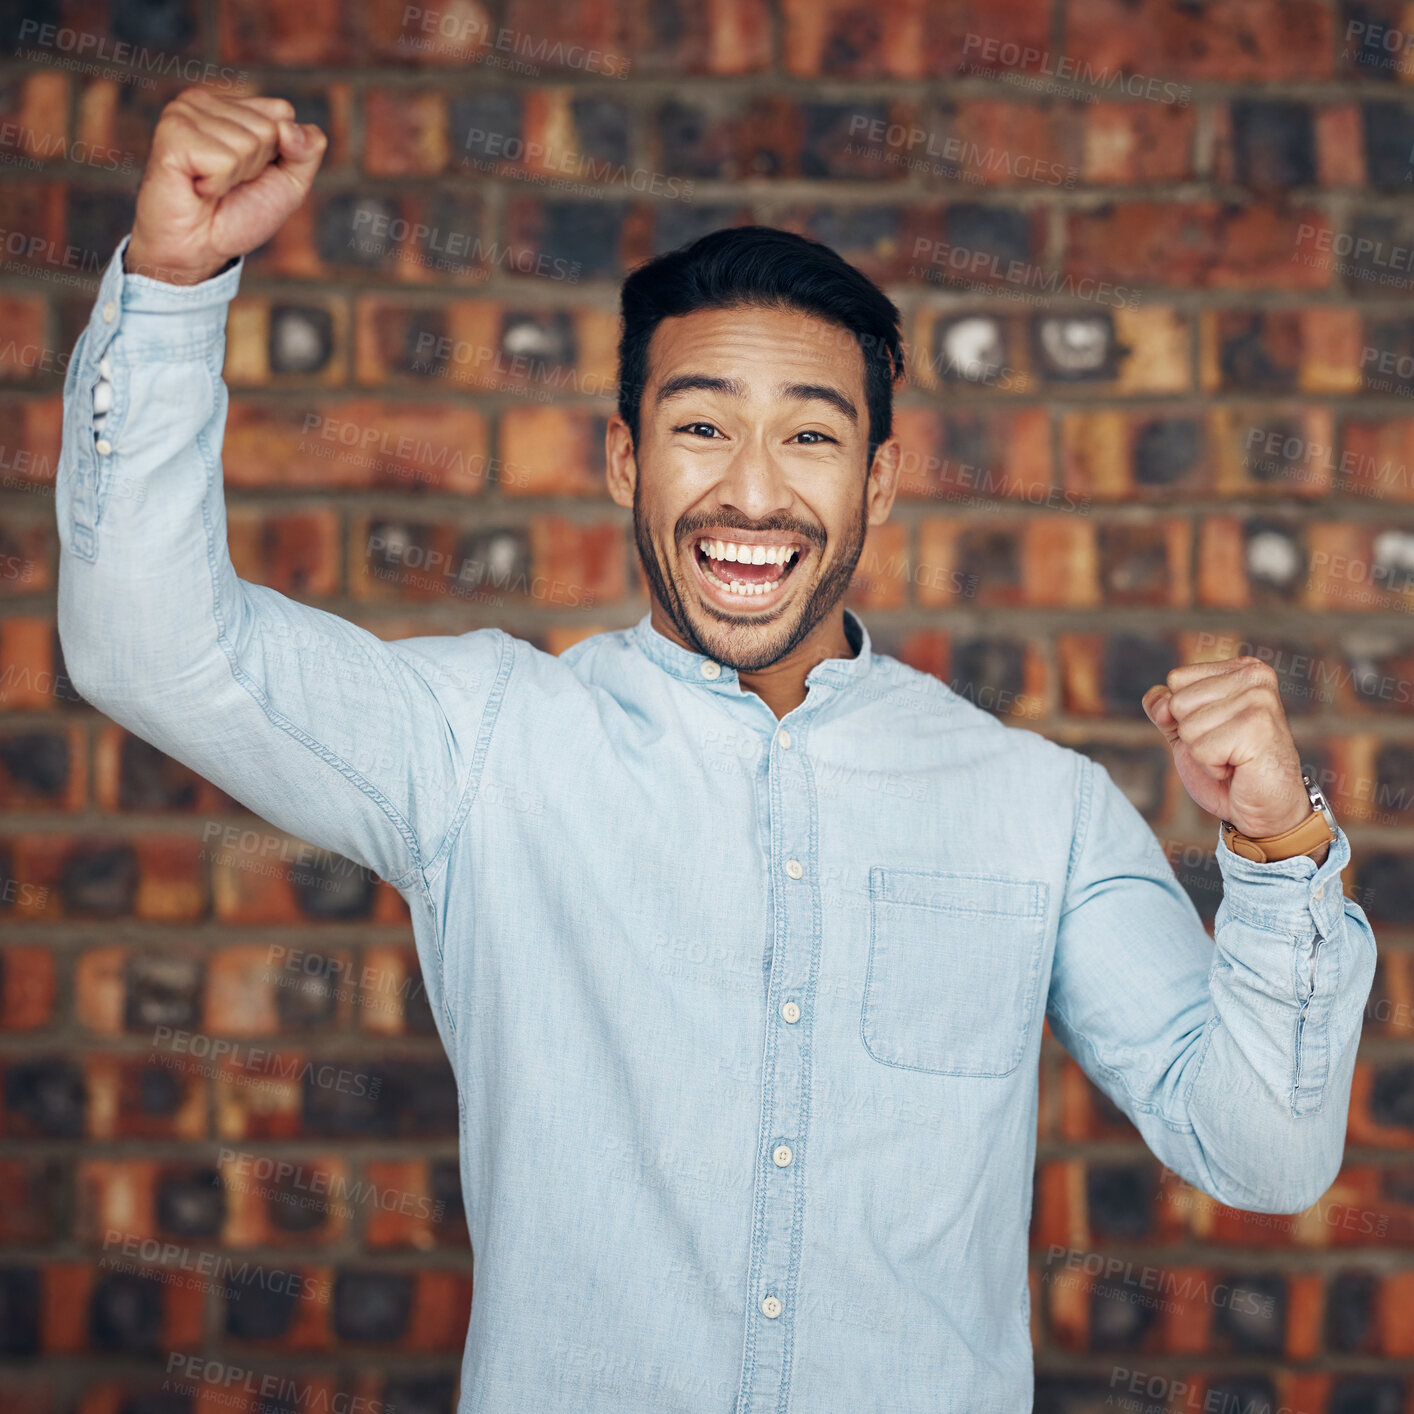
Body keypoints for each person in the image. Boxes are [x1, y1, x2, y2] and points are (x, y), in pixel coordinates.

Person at [57, 87, 1377, 1414]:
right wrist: (175, 285)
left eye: (809, 432)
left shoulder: (1039, 807)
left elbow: (1259, 1152)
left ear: (880, 479)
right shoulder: (481, 743)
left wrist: (1274, 850)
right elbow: (148, 644)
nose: (752, 491)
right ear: (626, 458)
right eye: (700, 425)